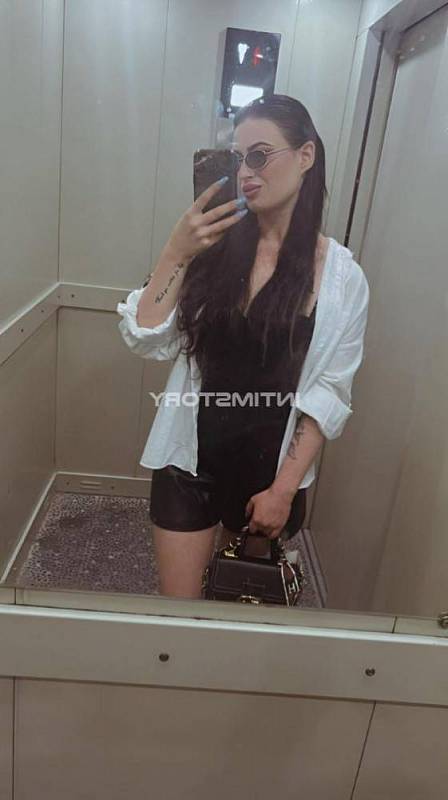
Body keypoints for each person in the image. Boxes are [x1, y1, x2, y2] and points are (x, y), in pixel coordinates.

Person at [117, 95, 370, 600]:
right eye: (238, 159)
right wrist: (177, 250)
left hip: (268, 475)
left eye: (260, 155)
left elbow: (329, 392)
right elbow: (147, 336)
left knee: (237, 608)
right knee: (179, 612)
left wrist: (283, 490)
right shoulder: (211, 250)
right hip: (188, 461)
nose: (246, 172)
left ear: (305, 156)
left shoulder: (343, 278)